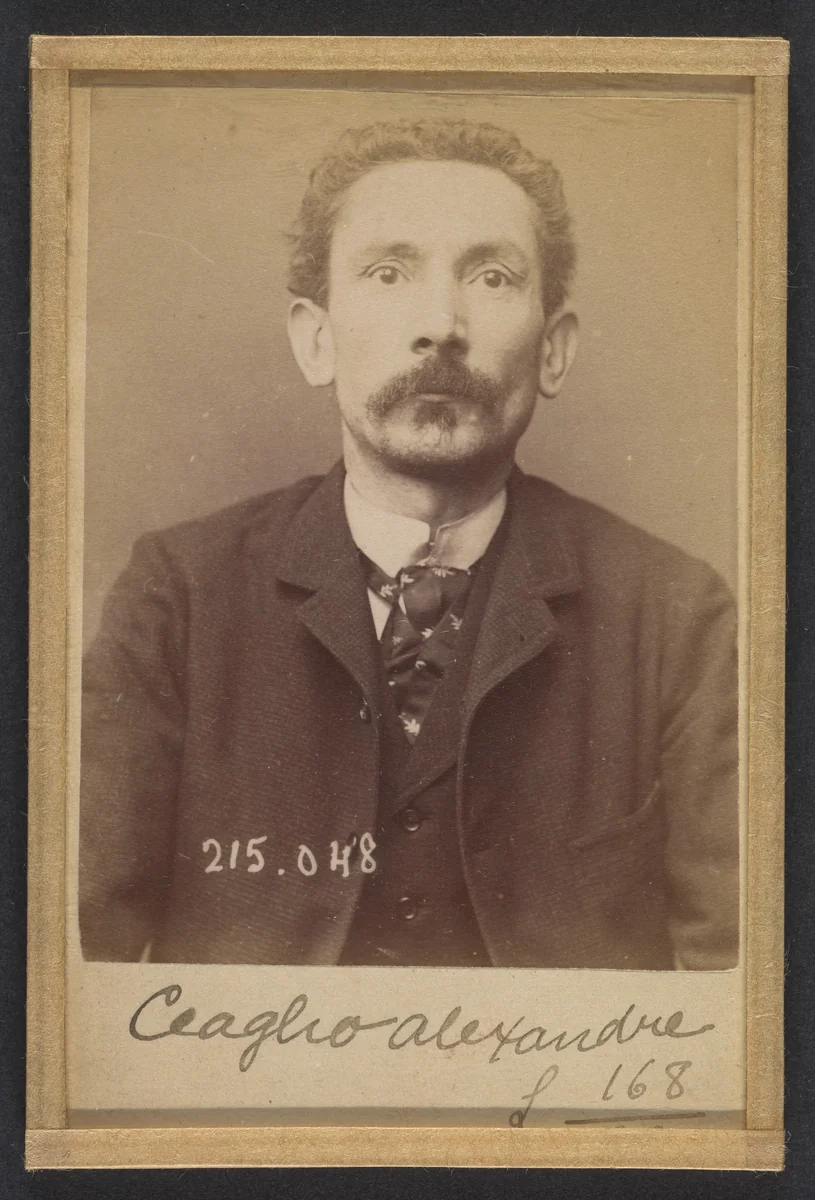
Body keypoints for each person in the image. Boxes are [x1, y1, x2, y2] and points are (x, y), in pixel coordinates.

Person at [79, 118, 739, 969]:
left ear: (554, 350)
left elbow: (744, 995)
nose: (440, 323)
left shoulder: (676, 616)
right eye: (388, 273)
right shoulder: (177, 596)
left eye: (492, 277)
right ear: (315, 340)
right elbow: (66, 968)